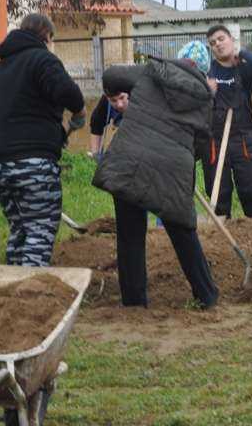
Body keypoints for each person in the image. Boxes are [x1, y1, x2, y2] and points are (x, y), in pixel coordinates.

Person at [91, 41, 220, 310]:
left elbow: (112, 75)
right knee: (183, 231)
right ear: (203, 71)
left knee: (129, 235)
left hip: (129, 160)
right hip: (171, 169)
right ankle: (206, 296)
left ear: (179, 60)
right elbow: (202, 142)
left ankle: (135, 303)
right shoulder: (205, 98)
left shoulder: (152, 72)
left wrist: (129, 89)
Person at [0, 13, 87, 268]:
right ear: (46, 36)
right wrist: (79, 112)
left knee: (21, 227)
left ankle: (14, 287)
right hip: (29, 160)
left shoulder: (4, 67)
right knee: (40, 227)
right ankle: (31, 293)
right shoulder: (41, 59)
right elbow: (65, 90)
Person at [203, 25, 252, 227]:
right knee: (218, 191)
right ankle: (220, 232)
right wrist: (208, 92)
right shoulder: (209, 72)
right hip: (215, 141)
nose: (217, 45)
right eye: (213, 43)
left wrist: (239, 53)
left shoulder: (243, 68)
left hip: (243, 140)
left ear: (231, 40)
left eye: (221, 39)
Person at [88, 90, 129, 161]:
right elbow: (96, 122)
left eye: (122, 98)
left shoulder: (141, 98)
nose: (119, 104)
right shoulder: (107, 98)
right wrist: (95, 155)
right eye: (114, 100)